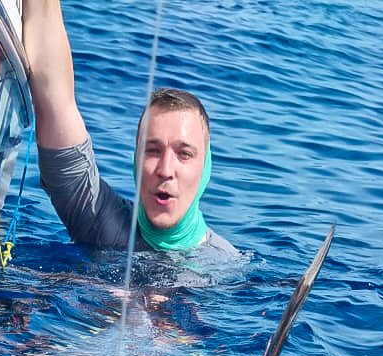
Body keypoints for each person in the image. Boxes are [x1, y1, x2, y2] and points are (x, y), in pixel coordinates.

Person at [20, 0, 236, 260]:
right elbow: (53, 96)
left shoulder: (226, 268)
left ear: (206, 168)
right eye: (153, 150)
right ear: (135, 160)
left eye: (184, 154)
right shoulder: (97, 219)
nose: (165, 170)